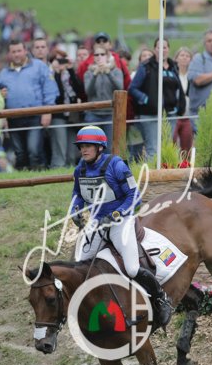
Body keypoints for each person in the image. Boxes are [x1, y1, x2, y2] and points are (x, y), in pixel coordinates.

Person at [68, 125, 171, 327]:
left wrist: (117, 213)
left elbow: (135, 197)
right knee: (79, 266)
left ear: (100, 147)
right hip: (98, 224)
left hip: (120, 223)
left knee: (132, 269)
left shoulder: (116, 166)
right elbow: (78, 195)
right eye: (81, 146)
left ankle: (161, 298)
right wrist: (75, 211)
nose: (83, 150)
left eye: (88, 145)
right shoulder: (80, 169)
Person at [0, 39, 58, 170]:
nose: (16, 54)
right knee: (19, 153)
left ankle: (39, 177)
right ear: (9, 54)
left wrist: (48, 111)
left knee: (34, 150)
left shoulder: (39, 66)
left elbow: (50, 89)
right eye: (13, 52)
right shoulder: (4, 73)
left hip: (35, 116)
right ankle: (23, 178)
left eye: (19, 51)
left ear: (25, 51)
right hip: (13, 118)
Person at [128, 38, 185, 161]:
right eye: (159, 47)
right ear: (154, 49)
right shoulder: (146, 66)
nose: (162, 50)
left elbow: (178, 88)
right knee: (153, 150)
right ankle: (150, 173)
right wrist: (147, 100)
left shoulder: (173, 67)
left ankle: (165, 173)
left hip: (171, 115)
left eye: (164, 47)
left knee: (166, 148)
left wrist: (179, 105)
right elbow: (132, 88)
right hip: (150, 115)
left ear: (168, 49)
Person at [49, 50, 85, 167]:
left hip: (72, 115)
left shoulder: (70, 74)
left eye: (63, 59)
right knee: (60, 148)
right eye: (58, 60)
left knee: (72, 151)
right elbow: (58, 95)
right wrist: (57, 73)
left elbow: (79, 91)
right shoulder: (49, 74)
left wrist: (70, 70)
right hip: (58, 114)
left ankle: (70, 171)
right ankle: (57, 170)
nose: (61, 62)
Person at [84, 44, 124, 148]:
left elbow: (120, 88)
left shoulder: (116, 71)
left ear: (107, 56)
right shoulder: (88, 73)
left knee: (108, 147)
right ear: (93, 57)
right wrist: (95, 75)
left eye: (102, 54)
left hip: (110, 114)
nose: (99, 57)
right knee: (92, 146)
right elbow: (88, 92)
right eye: (96, 55)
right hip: (93, 114)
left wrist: (109, 73)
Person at [173, 46, 194, 155]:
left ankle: (186, 164)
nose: (185, 58)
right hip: (174, 116)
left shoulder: (193, 75)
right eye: (182, 55)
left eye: (187, 56)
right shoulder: (172, 73)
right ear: (176, 58)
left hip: (188, 116)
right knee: (171, 145)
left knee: (187, 148)